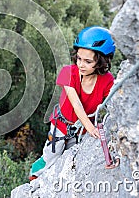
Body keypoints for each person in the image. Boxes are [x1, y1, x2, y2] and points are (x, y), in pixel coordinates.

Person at [29, 26, 116, 181]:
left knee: (68, 158)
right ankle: (35, 175)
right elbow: (76, 103)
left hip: (80, 130)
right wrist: (91, 128)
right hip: (61, 125)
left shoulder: (107, 80)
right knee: (52, 155)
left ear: (102, 62)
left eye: (88, 61)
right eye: (79, 58)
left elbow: (115, 102)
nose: (81, 64)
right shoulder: (69, 72)